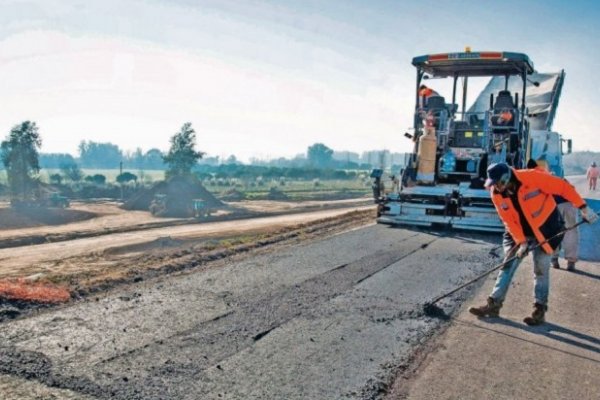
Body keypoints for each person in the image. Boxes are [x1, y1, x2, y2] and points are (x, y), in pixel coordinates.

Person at [469, 163, 598, 325]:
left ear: (507, 178)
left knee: (541, 268)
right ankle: (493, 304)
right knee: (508, 265)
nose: (496, 187)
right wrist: (521, 242)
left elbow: (563, 188)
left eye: (498, 183)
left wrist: (583, 208)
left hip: (546, 228)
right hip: (520, 232)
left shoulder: (532, 177)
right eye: (493, 184)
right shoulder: (496, 193)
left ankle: (539, 310)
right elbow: (508, 220)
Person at [528, 158, 580, 271]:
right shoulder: (561, 177)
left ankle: (554, 259)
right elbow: (572, 190)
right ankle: (571, 262)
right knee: (571, 232)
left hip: (555, 206)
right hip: (569, 204)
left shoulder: (540, 179)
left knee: (553, 232)